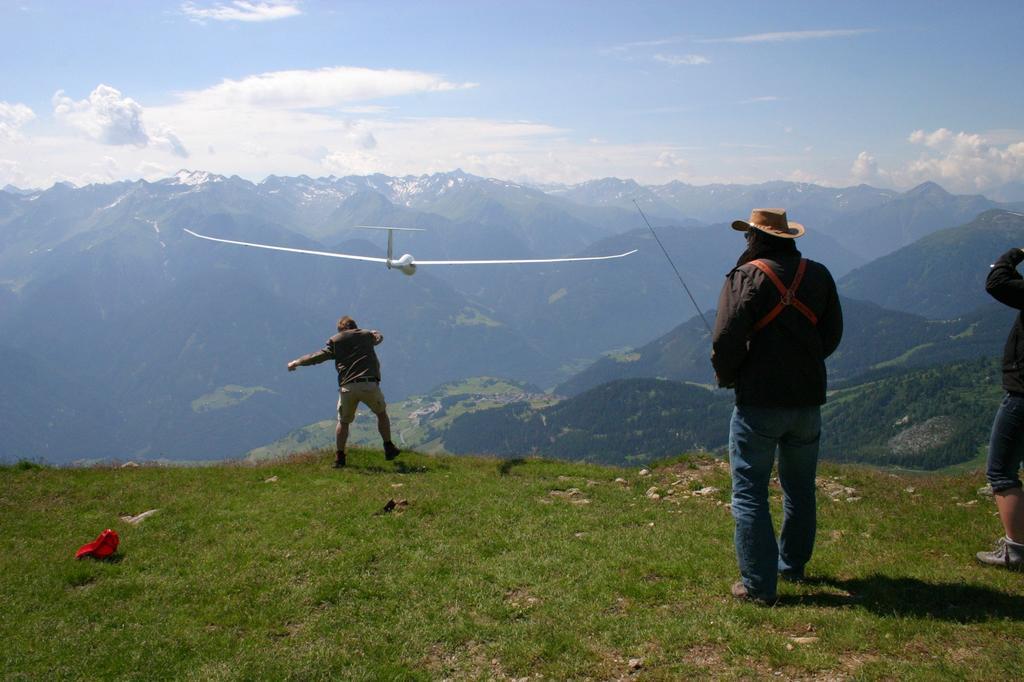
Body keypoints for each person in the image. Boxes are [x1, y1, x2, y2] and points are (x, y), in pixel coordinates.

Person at [711, 208, 843, 604]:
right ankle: (792, 567)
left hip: (759, 402)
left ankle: (757, 586)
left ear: (756, 238)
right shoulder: (818, 274)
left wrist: (730, 375)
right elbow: (831, 334)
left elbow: (725, 339)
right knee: (799, 487)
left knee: (750, 491)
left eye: (748, 236)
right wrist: (804, 361)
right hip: (807, 400)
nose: (745, 242)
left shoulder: (746, 277)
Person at [287, 316, 400, 468]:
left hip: (347, 388)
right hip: (368, 384)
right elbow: (378, 339)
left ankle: (339, 458)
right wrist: (376, 333)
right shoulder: (366, 337)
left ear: (340, 330)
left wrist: (297, 362)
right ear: (355, 327)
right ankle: (388, 447)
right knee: (381, 413)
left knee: (343, 422)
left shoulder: (336, 342)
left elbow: (317, 357)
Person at [978, 248, 1024, 570]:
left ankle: (1016, 550)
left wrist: (1017, 253)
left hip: (1023, 393)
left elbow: (996, 282)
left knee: (1001, 470)